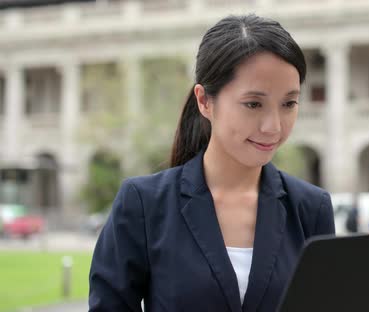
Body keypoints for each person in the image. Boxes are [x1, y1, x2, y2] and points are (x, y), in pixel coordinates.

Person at [88, 14, 335, 312]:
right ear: (204, 101)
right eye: (253, 104)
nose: (273, 126)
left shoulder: (310, 208)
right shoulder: (143, 204)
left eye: (289, 103)